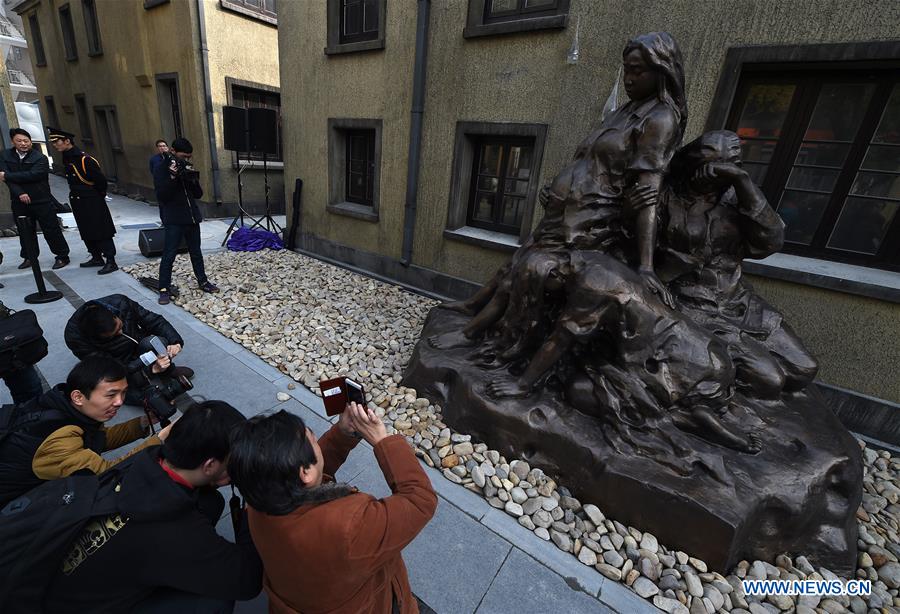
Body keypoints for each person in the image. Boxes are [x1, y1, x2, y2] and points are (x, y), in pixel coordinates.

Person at [44, 401, 263, 613]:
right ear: (210, 465)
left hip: (59, 582)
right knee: (212, 603)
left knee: (210, 501)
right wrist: (253, 503)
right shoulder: (176, 529)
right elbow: (248, 581)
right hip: (86, 607)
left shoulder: (137, 464)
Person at [229, 403, 437, 614]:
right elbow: (420, 499)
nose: (316, 442)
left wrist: (342, 434)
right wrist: (382, 441)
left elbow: (303, 478)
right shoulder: (349, 527)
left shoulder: (258, 501)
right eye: (312, 438)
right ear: (305, 471)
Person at [0, 355, 167, 507]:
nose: (119, 402)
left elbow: (97, 439)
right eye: (111, 395)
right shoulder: (58, 441)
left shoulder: (63, 406)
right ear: (78, 397)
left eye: (123, 393)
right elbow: (108, 476)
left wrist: (144, 422)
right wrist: (162, 438)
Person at [63, 293, 194, 405]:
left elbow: (154, 321)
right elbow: (106, 367)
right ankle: (144, 388)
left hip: (139, 346)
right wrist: (151, 370)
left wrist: (175, 342)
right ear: (96, 337)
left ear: (114, 314)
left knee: (153, 342)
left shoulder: (120, 303)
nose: (120, 332)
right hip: (117, 361)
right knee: (125, 390)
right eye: (114, 334)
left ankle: (167, 370)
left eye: (120, 326)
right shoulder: (75, 337)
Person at [153, 137, 219, 305]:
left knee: (196, 252)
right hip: (174, 218)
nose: (186, 160)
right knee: (169, 254)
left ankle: (203, 281)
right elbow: (162, 196)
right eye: (184, 156)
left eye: (189, 157)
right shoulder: (161, 168)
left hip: (191, 217)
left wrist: (192, 180)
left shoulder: (187, 167)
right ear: (173, 152)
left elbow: (198, 194)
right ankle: (163, 289)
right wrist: (174, 177)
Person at [47, 127, 117, 274]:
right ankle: (96, 256)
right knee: (86, 230)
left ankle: (111, 260)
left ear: (67, 141)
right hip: (78, 200)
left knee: (101, 230)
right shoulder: (68, 158)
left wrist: (97, 195)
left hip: (92, 200)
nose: (55, 145)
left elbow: (100, 182)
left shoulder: (85, 159)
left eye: (57, 142)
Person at [0, 128, 70, 270]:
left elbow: (34, 175)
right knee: (25, 231)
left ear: (31, 141)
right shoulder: (5, 155)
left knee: (51, 229)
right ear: (13, 142)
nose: (23, 144)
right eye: (19, 141)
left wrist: (8, 176)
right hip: (19, 200)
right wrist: (20, 193)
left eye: (26, 141)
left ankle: (62, 256)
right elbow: (6, 179)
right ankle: (29, 257)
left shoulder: (40, 158)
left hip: (41, 199)